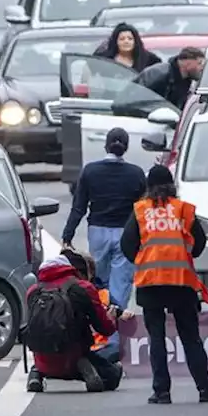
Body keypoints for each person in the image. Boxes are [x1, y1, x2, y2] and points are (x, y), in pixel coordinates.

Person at [121, 164, 208, 404]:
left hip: (151, 282)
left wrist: (144, 258)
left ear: (148, 187)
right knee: (191, 338)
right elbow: (199, 243)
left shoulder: (140, 211)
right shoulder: (181, 210)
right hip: (181, 282)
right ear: (172, 185)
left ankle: (161, 392)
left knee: (156, 338)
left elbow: (127, 245)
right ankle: (205, 390)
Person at [61, 127, 147, 315]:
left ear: (106, 146)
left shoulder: (90, 171)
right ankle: (117, 320)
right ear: (126, 148)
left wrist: (68, 235)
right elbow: (143, 208)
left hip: (97, 230)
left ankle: (100, 318)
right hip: (126, 232)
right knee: (121, 280)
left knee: (98, 278)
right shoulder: (137, 174)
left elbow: (79, 207)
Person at [24, 253, 123, 394]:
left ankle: (37, 372)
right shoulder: (83, 288)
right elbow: (105, 328)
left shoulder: (33, 292)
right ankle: (85, 366)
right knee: (113, 374)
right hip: (73, 356)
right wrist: (112, 318)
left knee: (45, 358)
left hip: (43, 358)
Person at [81, 250, 133, 364]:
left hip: (101, 347)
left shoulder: (104, 293)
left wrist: (123, 314)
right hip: (79, 349)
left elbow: (117, 309)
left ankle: (94, 364)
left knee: (116, 349)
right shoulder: (69, 293)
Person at [133, 46, 206, 111]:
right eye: (199, 63)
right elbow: (137, 100)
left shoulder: (186, 81)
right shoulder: (159, 74)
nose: (202, 68)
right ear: (187, 63)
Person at [93, 22, 161, 72]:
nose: (126, 41)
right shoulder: (105, 60)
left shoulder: (150, 60)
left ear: (135, 41)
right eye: (122, 39)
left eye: (130, 39)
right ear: (116, 42)